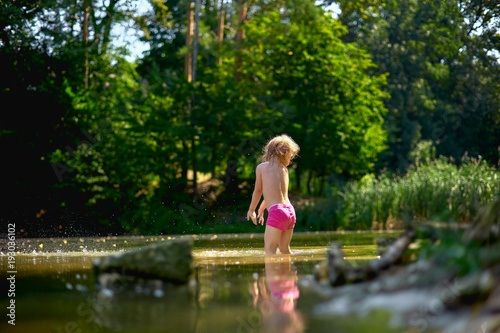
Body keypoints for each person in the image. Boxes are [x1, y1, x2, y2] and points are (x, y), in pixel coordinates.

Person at [246, 134, 300, 254]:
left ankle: (273, 273)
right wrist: (262, 206)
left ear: (269, 150)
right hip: (290, 211)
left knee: (270, 250)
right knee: (285, 249)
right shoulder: (284, 170)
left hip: (277, 212)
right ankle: (291, 271)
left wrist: (251, 209)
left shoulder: (262, 167)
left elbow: (258, 190)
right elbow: (277, 192)